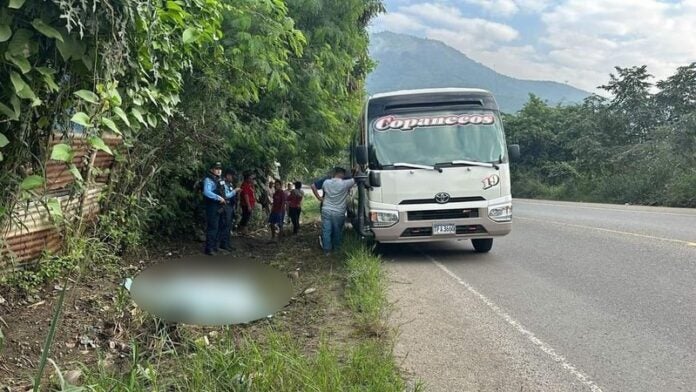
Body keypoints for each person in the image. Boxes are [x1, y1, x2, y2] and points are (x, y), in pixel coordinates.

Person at [319, 167, 356, 255]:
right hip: (338, 212)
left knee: (326, 231)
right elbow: (355, 179)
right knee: (337, 231)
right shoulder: (345, 183)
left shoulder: (326, 182)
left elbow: (324, 192)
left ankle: (327, 251)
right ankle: (337, 249)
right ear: (342, 174)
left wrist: (321, 199)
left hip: (326, 209)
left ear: (334, 173)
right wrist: (355, 171)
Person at [202, 162, 227, 255]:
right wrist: (218, 198)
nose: (219, 170)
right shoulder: (209, 180)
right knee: (213, 227)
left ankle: (215, 246)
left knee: (220, 226)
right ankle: (209, 248)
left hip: (220, 206)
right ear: (212, 170)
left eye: (220, 169)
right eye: (216, 169)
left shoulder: (219, 179)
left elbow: (224, 192)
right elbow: (206, 192)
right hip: (212, 206)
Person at [218, 168, 239, 250]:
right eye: (232, 176)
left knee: (229, 226)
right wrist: (234, 191)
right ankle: (223, 244)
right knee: (225, 225)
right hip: (225, 206)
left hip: (230, 207)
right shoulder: (223, 183)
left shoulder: (230, 184)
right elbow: (226, 195)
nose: (233, 178)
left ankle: (227, 243)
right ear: (227, 175)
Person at [238, 171, 256, 235]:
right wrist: (249, 206)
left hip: (249, 204)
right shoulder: (245, 185)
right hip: (246, 204)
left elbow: (253, 192)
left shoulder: (249, 185)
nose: (252, 179)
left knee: (247, 216)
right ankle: (243, 230)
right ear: (247, 178)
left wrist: (252, 184)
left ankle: (243, 229)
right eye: (251, 178)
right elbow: (246, 195)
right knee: (246, 217)